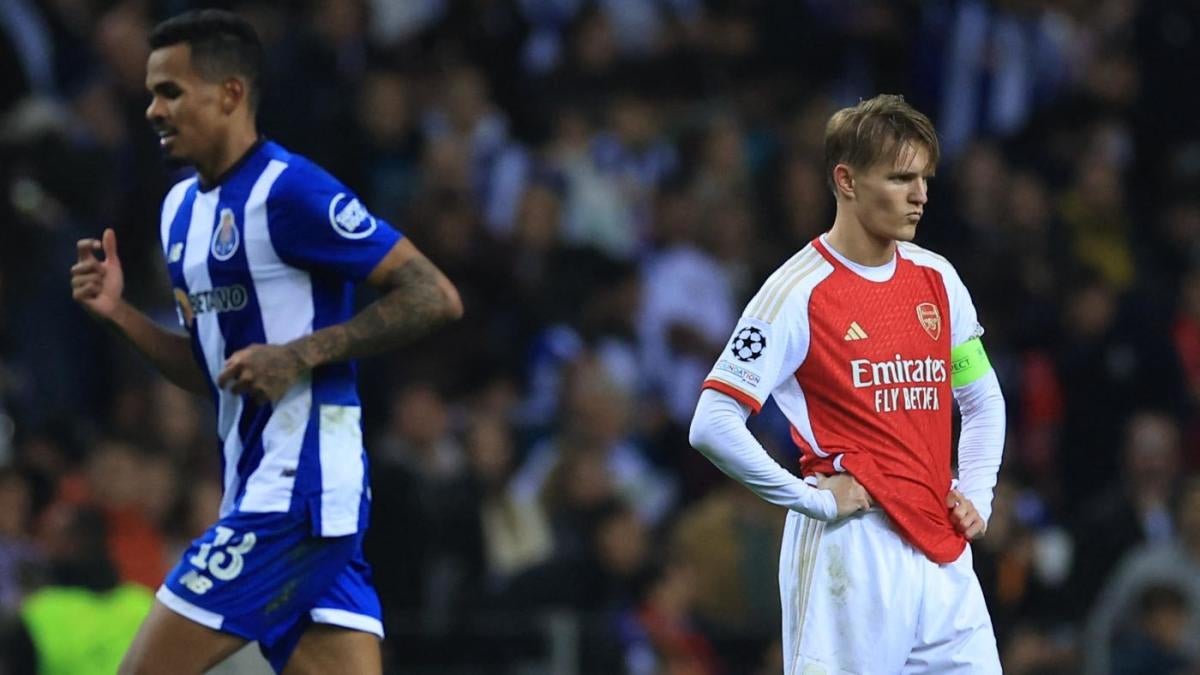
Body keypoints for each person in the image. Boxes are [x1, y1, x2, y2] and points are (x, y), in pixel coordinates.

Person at [68, 10, 462, 675]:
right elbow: (211, 371)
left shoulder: (292, 191)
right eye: (150, 92)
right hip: (262, 491)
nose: (152, 110)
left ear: (229, 93)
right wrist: (122, 316)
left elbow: (434, 295)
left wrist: (300, 354)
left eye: (171, 91)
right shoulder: (179, 212)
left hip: (296, 494)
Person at [688, 94, 1006, 673]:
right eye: (901, 177)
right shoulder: (796, 291)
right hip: (852, 550)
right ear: (847, 180)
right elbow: (712, 422)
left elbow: (982, 399)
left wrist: (978, 495)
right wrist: (808, 498)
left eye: (925, 178)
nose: (920, 195)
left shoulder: (938, 278)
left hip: (941, 550)